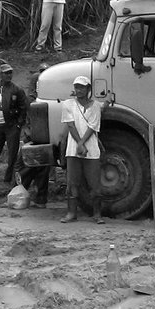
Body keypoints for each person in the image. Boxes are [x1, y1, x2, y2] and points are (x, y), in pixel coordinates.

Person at [61, 76, 106, 223]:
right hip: (73, 148)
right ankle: (71, 213)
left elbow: (93, 126)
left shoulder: (96, 106)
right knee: (72, 182)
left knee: (94, 183)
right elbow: (70, 125)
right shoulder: (68, 104)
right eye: (77, 87)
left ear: (88, 89)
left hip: (91, 148)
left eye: (82, 87)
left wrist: (81, 143)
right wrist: (80, 145)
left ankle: (97, 214)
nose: (79, 90)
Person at [18, 64, 51, 209]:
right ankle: (22, 196)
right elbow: (27, 119)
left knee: (38, 169)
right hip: (33, 137)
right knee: (27, 168)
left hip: (43, 137)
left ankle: (36, 199)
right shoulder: (32, 100)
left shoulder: (47, 97)